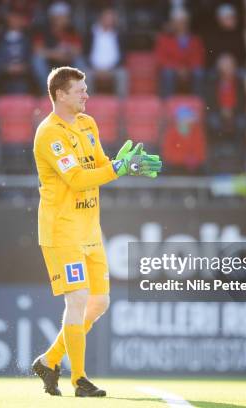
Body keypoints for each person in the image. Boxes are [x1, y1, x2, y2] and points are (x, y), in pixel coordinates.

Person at [31, 66, 162, 397]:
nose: (86, 95)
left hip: (90, 229)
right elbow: (75, 179)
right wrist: (116, 169)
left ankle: (48, 360)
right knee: (76, 299)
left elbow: (101, 166)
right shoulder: (49, 134)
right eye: (80, 90)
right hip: (62, 231)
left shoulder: (88, 124)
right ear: (60, 95)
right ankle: (79, 380)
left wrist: (121, 165)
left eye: (86, 89)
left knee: (99, 302)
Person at [154, 8, 205, 97]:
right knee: (168, 73)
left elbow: (198, 58)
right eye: (178, 22)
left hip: (189, 70)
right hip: (172, 70)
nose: (181, 25)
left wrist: (187, 69)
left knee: (199, 72)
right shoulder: (164, 39)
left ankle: (198, 103)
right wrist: (177, 68)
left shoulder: (195, 40)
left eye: (183, 22)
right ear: (173, 23)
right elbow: (160, 59)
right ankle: (168, 105)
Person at [84, 7, 128, 97]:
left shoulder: (119, 35)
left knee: (123, 74)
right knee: (84, 74)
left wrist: (111, 68)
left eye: (112, 19)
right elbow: (84, 53)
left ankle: (121, 107)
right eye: (107, 18)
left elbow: (123, 55)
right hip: (93, 68)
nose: (109, 21)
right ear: (100, 18)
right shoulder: (90, 33)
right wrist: (94, 68)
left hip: (113, 69)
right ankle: (88, 105)